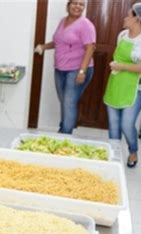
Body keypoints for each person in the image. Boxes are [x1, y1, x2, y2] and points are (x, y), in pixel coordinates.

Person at [103, 3, 141, 168]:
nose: (125, 18)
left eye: (128, 16)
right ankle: (114, 156)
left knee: (126, 123)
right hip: (116, 83)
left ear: (137, 19)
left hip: (136, 88)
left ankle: (133, 151)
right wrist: (117, 66)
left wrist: (123, 67)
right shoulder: (123, 35)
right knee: (113, 123)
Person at [35, 0, 96, 134]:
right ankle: (66, 127)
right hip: (60, 68)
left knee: (69, 103)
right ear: (68, 5)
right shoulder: (63, 21)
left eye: (81, 4)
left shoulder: (85, 24)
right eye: (74, 3)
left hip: (77, 69)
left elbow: (90, 48)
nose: (77, 6)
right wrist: (44, 47)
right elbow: (58, 42)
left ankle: (64, 135)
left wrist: (82, 71)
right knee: (65, 102)